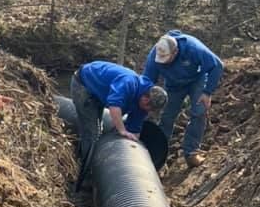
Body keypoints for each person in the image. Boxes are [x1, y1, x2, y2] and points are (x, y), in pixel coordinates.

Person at [144, 30, 223, 168]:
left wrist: (207, 92)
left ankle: (191, 153)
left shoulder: (193, 48)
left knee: (199, 112)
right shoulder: (155, 56)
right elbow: (147, 81)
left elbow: (217, 65)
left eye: (166, 59)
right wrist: (144, 101)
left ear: (175, 52)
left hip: (196, 81)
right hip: (173, 85)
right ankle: (158, 156)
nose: (163, 62)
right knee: (166, 118)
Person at [70, 60, 168, 161]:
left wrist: (134, 149)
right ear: (145, 99)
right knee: (91, 133)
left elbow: (134, 131)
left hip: (99, 92)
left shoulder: (143, 106)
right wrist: (122, 130)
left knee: (98, 131)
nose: (149, 111)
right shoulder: (129, 83)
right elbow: (114, 106)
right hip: (84, 83)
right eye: (150, 108)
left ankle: (88, 158)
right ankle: (85, 167)